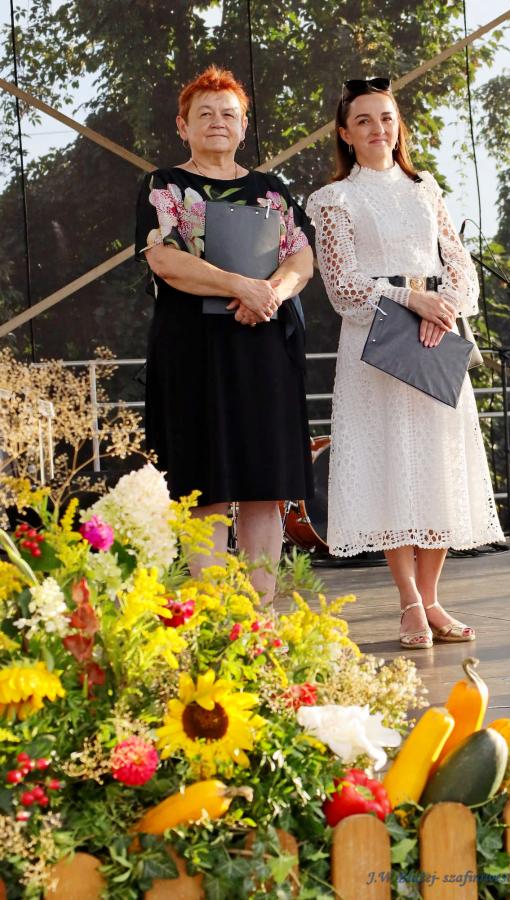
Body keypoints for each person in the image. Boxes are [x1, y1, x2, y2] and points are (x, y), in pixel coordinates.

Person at [306, 78, 504, 648]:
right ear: (345, 133)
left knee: (437, 466)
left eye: (387, 118)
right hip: (376, 343)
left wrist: (444, 307)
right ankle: (409, 602)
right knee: (391, 467)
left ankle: (434, 598)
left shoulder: (425, 189)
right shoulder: (335, 199)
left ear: (399, 126)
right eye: (364, 120)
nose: (378, 129)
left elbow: (459, 263)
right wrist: (410, 299)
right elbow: (343, 285)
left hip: (435, 337)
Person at [135, 66, 314, 602]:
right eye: (205, 114)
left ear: (243, 126)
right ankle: (216, 617)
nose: (218, 122)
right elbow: (165, 260)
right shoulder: (164, 186)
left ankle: (260, 618)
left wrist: (271, 295)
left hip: (265, 353)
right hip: (193, 354)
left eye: (229, 114)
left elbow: (302, 259)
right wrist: (243, 286)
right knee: (204, 488)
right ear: (182, 126)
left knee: (264, 487)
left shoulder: (272, 190)